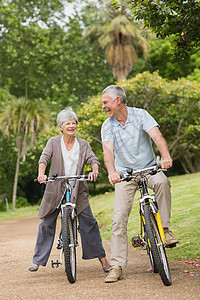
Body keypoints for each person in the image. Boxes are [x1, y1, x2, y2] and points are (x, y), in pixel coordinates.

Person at [101, 85, 179, 283]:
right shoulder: (107, 125)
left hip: (148, 168)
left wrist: (166, 156)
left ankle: (166, 229)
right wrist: (112, 172)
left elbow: (156, 136)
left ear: (118, 100)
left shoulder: (141, 115)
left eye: (105, 102)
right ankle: (117, 265)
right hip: (124, 175)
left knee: (162, 182)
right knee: (118, 219)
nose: (103, 107)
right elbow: (108, 152)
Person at [29, 107, 110, 273]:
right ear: (61, 127)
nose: (71, 126)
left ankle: (103, 259)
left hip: (78, 188)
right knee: (46, 223)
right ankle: (37, 260)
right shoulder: (53, 142)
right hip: (55, 188)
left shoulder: (83, 144)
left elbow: (93, 159)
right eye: (68, 123)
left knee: (89, 222)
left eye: (74, 123)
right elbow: (44, 158)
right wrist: (41, 175)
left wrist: (94, 170)